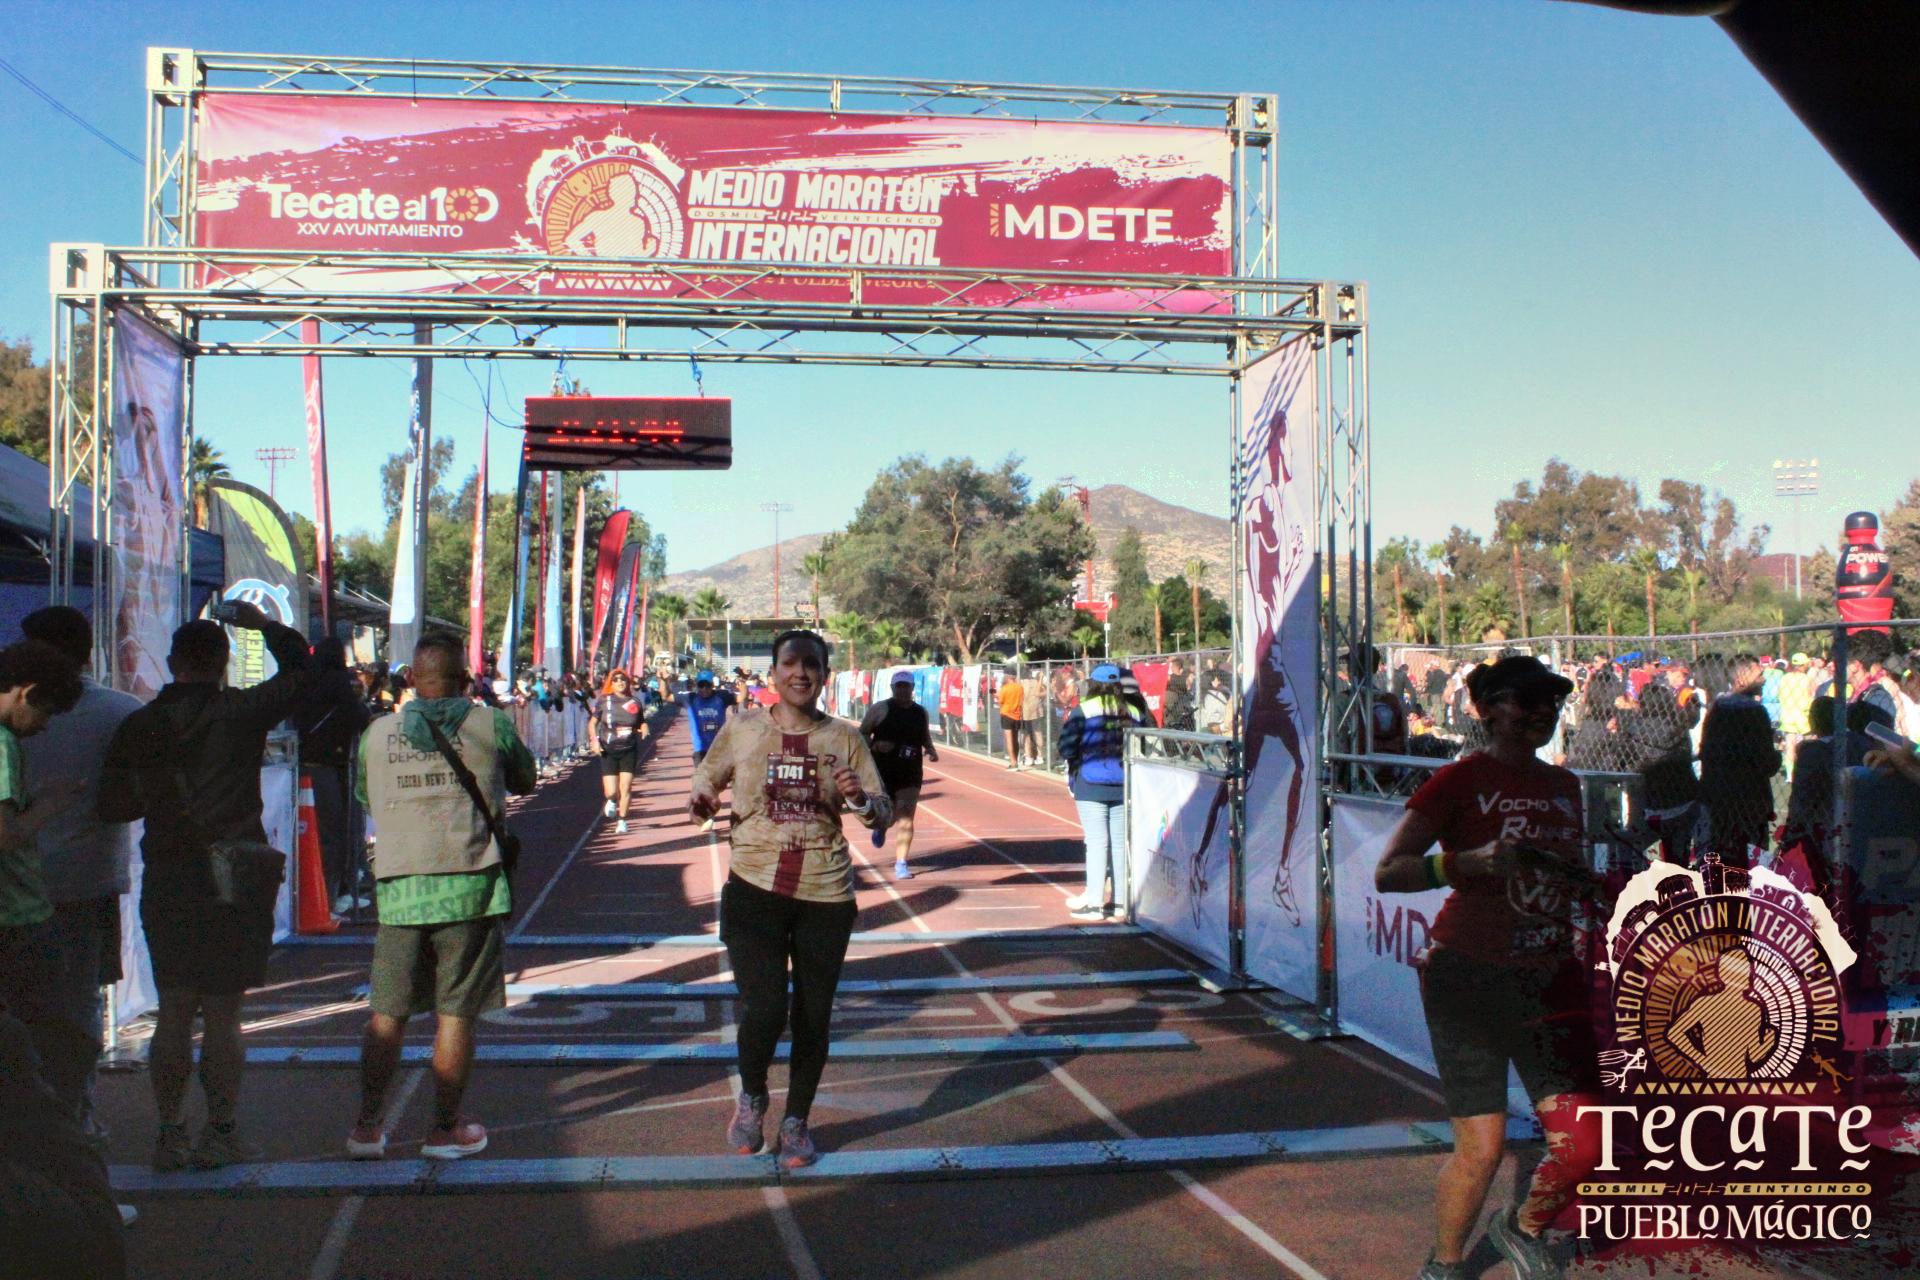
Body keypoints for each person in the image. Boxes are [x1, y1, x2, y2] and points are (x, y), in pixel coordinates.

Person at [1372, 655, 1600, 1280]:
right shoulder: (1459, 781)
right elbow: (1389, 873)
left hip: (1550, 979)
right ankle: (1445, 1267)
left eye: (1552, 702)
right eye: (1527, 701)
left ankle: (1520, 1230)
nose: (1542, 713)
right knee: (1483, 1149)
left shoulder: (1565, 786)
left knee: (1586, 1141)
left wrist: (1591, 887)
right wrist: (1463, 863)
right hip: (1468, 978)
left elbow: (1563, 875)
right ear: (1488, 710)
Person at [97, 602, 311, 1172]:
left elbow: (115, 804)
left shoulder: (141, 724)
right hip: (234, 873)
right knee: (222, 1012)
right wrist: (265, 626)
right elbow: (301, 672)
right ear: (223, 664)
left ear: (172, 663)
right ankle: (220, 1132)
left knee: (173, 1008)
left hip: (171, 871)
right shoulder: (240, 711)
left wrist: (159, 798)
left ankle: (170, 1134)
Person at [690, 630, 889, 1169]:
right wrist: (702, 797)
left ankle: (797, 1121)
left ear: (825, 675)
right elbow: (706, 776)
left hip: (825, 892)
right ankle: (753, 1096)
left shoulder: (845, 738)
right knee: (766, 1008)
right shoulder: (743, 728)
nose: (800, 673)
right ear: (773, 672)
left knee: (813, 1015)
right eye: (790, 663)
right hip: (753, 887)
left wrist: (859, 800)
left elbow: (883, 811)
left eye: (811, 665)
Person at [348, 633, 536, 1162]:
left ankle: (366, 1128)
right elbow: (525, 779)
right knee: (456, 1014)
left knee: (387, 1013)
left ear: (410, 680)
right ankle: (443, 1129)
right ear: (467, 681)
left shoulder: (377, 733)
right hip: (470, 888)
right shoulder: (490, 724)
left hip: (400, 890)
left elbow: (366, 795)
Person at [19, 608, 141, 1147]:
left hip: (26, 884)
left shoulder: (19, 717)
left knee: (30, 1008)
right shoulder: (122, 711)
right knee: (78, 1006)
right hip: (85, 881)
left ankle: (45, 1123)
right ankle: (74, 1120)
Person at [0, 640, 89, 1129]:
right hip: (18, 916)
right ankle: (56, 1147)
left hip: (18, 916)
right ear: (26, 692)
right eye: (46, 711)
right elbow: (5, 835)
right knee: (60, 1046)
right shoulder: (2, 744)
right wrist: (51, 805)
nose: (44, 726)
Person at [292, 638, 372, 915]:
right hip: (328, 766)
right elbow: (359, 716)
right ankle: (329, 897)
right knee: (332, 835)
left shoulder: (305, 681)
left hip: (301, 764)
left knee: (309, 834)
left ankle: (317, 897)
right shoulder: (338, 681)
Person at [1057, 663, 1143, 921]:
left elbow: (1066, 747)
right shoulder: (1133, 711)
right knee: (1119, 843)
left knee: (1096, 842)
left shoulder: (1085, 710)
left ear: (1093, 684)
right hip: (1124, 783)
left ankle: (1094, 904)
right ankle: (1119, 902)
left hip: (1091, 783)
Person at [1696, 652, 1781, 867]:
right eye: (1758, 675)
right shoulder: (1755, 712)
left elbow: (1707, 752)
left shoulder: (1717, 709)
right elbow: (1767, 762)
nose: (1763, 679)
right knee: (1752, 861)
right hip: (1751, 800)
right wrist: (1777, 758)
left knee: (1722, 858)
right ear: (1741, 679)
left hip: (1720, 800)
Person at [860, 670, 938, 880]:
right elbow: (863, 733)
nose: (903, 690)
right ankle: (882, 827)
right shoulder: (880, 709)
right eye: (899, 686)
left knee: (906, 817)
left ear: (913, 688)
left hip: (910, 770)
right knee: (889, 814)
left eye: (906, 686)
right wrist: (874, 745)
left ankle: (901, 863)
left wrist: (931, 749)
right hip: (884, 769)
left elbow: (924, 735)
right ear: (892, 688)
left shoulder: (920, 712)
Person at [589, 670, 650, 835]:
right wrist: (594, 741)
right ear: (611, 683)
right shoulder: (604, 701)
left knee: (626, 787)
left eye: (623, 679)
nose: (620, 682)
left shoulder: (634, 702)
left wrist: (644, 728)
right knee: (611, 791)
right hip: (608, 749)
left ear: (627, 682)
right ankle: (611, 800)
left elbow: (641, 721)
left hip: (628, 749)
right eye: (616, 680)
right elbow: (592, 723)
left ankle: (622, 820)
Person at [996, 672, 1024, 769]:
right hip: (1017, 715)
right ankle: (1015, 759)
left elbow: (1000, 701)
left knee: (1009, 739)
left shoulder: (1005, 688)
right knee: (1015, 739)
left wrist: (997, 696)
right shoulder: (1019, 687)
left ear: (1008, 677)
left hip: (1007, 714)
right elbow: (1021, 701)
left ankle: (1013, 762)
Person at [1162, 657, 1195, 732]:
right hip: (1175, 717)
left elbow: (1187, 684)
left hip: (1173, 717)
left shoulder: (1177, 679)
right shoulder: (1178, 679)